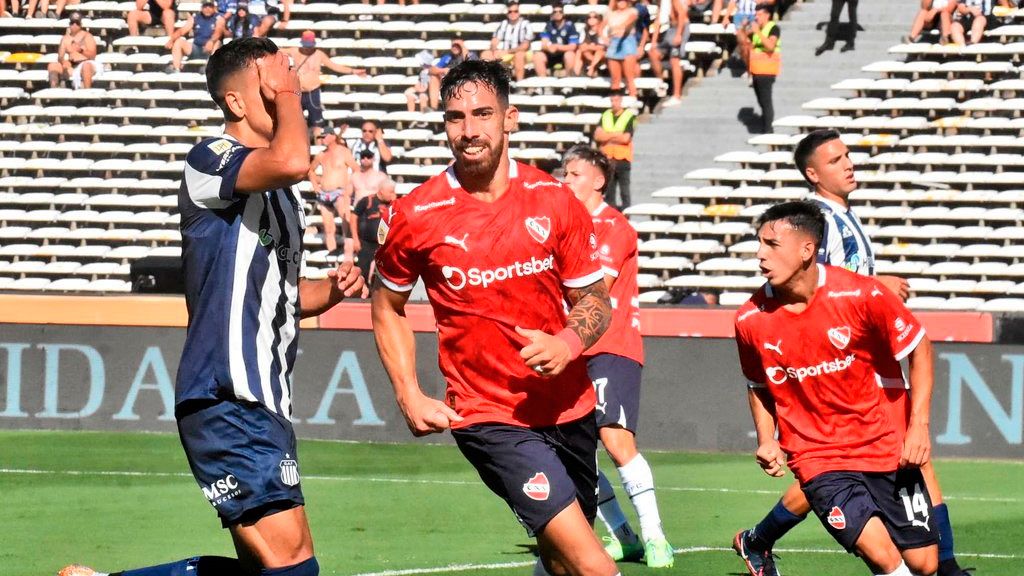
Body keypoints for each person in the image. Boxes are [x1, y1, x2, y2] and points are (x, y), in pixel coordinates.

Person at [58, 37, 365, 576]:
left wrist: (333, 290)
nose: (283, 89)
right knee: (294, 566)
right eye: (270, 84)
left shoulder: (283, 197)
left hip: (264, 397)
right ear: (236, 102)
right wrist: (292, 94)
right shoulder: (210, 159)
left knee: (269, 569)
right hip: (227, 391)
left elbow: (286, 296)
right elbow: (294, 159)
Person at [371, 59, 620, 576]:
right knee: (592, 564)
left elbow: (596, 300)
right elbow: (386, 305)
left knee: (561, 561)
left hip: (569, 406)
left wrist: (567, 343)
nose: (468, 130)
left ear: (510, 119)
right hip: (487, 413)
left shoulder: (555, 201)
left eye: (483, 114)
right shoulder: (416, 213)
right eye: (455, 117)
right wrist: (408, 392)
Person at [732, 130, 973, 576]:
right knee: (844, 476)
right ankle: (948, 566)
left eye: (847, 155)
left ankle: (760, 537)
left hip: (871, 381)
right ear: (812, 174)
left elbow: (848, 289)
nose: (848, 164)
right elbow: (819, 284)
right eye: (835, 159)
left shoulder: (843, 217)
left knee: (906, 471)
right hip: (845, 381)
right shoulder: (817, 222)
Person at [562, 145, 674, 569]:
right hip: (571, 350)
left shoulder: (613, 226)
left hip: (611, 345)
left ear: (598, 180)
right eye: (564, 173)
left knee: (615, 439)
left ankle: (655, 536)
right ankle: (623, 536)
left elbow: (595, 292)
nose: (565, 181)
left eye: (574, 174)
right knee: (577, 451)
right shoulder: (565, 227)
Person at [283, 31, 365, 141]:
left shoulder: (319, 54)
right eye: (306, 46)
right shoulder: (294, 51)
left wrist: (353, 71)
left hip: (312, 92)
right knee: (293, 121)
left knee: (317, 124)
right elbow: (276, 50)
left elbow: (334, 66)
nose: (307, 49)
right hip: (298, 92)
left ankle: (318, 146)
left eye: (309, 46)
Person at [309, 130, 359, 259]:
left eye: (325, 136)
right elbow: (310, 170)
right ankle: (332, 257)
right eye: (321, 137)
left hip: (340, 192)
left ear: (332, 136)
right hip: (324, 194)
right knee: (328, 228)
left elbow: (356, 169)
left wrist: (349, 186)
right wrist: (315, 186)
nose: (323, 139)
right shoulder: (321, 155)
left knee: (346, 222)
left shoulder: (343, 152)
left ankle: (348, 253)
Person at [736, 3, 779, 134]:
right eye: (756, 15)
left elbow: (771, 46)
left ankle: (768, 130)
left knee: (766, 101)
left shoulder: (773, 28)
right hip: (755, 70)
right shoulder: (756, 29)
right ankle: (765, 124)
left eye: (759, 15)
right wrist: (742, 28)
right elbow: (742, 41)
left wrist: (758, 32)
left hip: (767, 70)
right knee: (761, 100)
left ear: (767, 15)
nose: (756, 17)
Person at [348, 167, 395, 284]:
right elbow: (353, 217)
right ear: (382, 191)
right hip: (366, 242)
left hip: (384, 244)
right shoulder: (366, 201)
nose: (393, 194)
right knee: (363, 270)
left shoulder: (393, 203)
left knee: (384, 272)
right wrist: (355, 239)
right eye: (391, 192)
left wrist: (395, 202)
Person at [593, 89, 635, 210]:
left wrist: (607, 136)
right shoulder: (605, 115)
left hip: (623, 158)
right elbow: (597, 136)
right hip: (607, 158)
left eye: (616, 100)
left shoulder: (628, 116)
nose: (613, 103)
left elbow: (625, 138)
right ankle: (610, 216)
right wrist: (616, 134)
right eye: (612, 100)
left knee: (624, 191)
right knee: (609, 192)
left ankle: (626, 215)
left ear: (621, 100)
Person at [47, 13, 102, 90]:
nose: (74, 25)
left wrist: (81, 50)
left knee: (86, 66)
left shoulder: (87, 36)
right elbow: (60, 57)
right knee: (52, 65)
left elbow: (92, 56)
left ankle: (87, 92)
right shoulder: (65, 39)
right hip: (72, 65)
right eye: (72, 23)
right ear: (69, 24)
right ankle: (54, 90)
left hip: (86, 63)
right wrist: (64, 62)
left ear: (81, 25)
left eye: (77, 23)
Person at [649, 0, 688, 107]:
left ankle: (676, 95)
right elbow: (658, 20)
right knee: (653, 53)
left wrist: (679, 34)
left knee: (674, 60)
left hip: (680, 28)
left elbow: (682, 13)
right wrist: (653, 41)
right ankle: (661, 83)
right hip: (670, 29)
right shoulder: (662, 2)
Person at [483, 2, 533, 82]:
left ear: (519, 12)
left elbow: (525, 46)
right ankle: (489, 83)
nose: (513, 13)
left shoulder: (525, 24)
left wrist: (507, 51)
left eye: (515, 11)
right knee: (486, 54)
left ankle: (519, 84)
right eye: (510, 11)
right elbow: (495, 40)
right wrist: (494, 50)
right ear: (507, 13)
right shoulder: (504, 24)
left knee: (519, 55)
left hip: (522, 53)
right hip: (506, 53)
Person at [166, 0, 219, 73]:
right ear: (201, 8)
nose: (207, 8)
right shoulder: (195, 17)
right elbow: (182, 30)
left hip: (210, 50)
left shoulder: (219, 18)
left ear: (214, 8)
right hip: (196, 47)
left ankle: (209, 67)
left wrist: (211, 41)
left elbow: (218, 33)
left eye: (210, 6)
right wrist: (171, 40)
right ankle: (176, 68)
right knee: (179, 42)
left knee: (217, 42)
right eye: (205, 6)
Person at [533, 4, 579, 78]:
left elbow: (573, 46)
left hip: (564, 53)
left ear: (563, 13)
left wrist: (558, 47)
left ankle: (569, 81)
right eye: (555, 12)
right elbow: (544, 44)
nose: (557, 14)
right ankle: (543, 82)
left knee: (570, 55)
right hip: (551, 53)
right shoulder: (549, 25)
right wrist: (549, 48)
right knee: (537, 56)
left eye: (560, 11)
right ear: (552, 14)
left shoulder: (570, 26)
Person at [428, 38, 475, 111]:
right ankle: (433, 108)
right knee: (434, 78)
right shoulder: (448, 57)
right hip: (448, 81)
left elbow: (471, 65)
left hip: (464, 81)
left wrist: (462, 47)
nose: (455, 48)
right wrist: (443, 70)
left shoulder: (470, 55)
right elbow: (431, 70)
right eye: (453, 46)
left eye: (457, 46)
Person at [604, 0, 639, 97]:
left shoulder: (632, 11)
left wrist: (621, 26)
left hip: (627, 41)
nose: (621, 2)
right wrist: (604, 38)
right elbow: (601, 27)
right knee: (615, 78)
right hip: (614, 41)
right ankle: (615, 100)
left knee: (629, 77)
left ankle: (633, 98)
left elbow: (631, 19)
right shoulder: (611, 14)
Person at [576, 12, 608, 77]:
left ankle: (591, 69)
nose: (591, 19)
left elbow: (602, 47)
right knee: (579, 51)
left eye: (594, 17)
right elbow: (581, 45)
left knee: (599, 52)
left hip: (603, 53)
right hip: (589, 54)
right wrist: (590, 47)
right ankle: (576, 73)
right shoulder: (584, 30)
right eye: (589, 17)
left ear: (599, 19)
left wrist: (589, 46)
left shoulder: (603, 30)